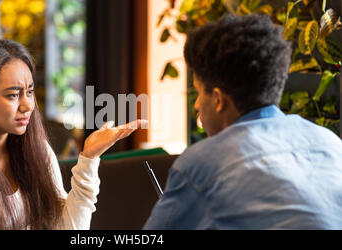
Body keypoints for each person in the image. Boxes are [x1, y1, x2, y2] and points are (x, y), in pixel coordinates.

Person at [0, 39, 146, 230]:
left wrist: (88, 159)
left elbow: (68, 228)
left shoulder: (33, 147)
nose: (28, 105)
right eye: (13, 95)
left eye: (29, 92)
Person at [144, 14, 342, 229]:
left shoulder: (202, 163)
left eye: (199, 93)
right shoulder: (329, 142)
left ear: (218, 99)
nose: (197, 105)